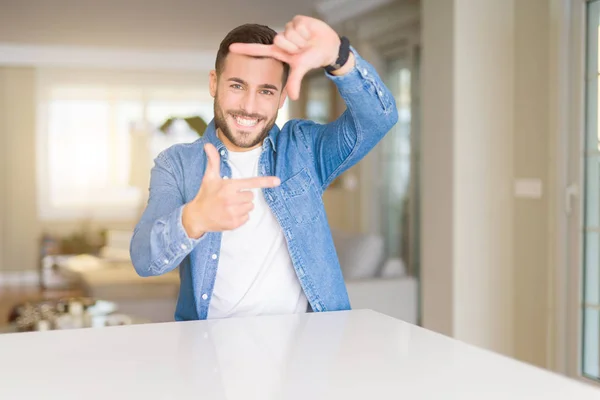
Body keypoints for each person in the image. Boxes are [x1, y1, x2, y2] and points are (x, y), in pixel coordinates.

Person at [130, 15, 398, 321]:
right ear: (214, 83)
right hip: (211, 353)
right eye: (237, 85)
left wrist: (340, 57)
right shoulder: (175, 165)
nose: (249, 106)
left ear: (282, 97)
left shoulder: (305, 149)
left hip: (306, 351)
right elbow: (143, 259)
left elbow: (379, 118)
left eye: (266, 91)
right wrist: (194, 218)